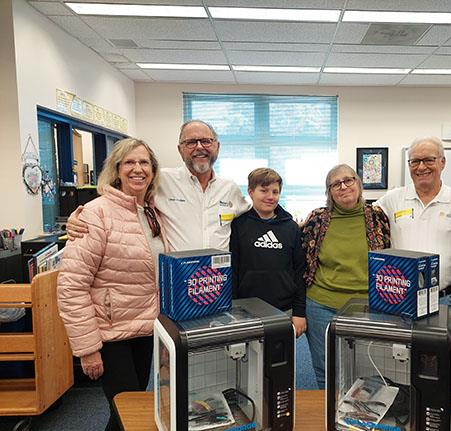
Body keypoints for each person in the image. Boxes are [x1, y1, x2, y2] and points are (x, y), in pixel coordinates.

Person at [57, 138, 167, 431]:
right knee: (127, 412)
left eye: (144, 163)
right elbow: (71, 285)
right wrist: (87, 348)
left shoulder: (152, 212)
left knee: (127, 412)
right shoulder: (96, 213)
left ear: (153, 170)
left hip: (145, 328)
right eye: (129, 163)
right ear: (116, 170)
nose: (137, 169)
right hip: (109, 335)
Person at [67, 120, 250, 251]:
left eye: (206, 141)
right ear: (180, 149)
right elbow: (120, 200)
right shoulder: (160, 181)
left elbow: (259, 214)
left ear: (217, 146)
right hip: (176, 281)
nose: (199, 147)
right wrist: (83, 218)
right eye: (191, 142)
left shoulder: (230, 188)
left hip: (217, 281)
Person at [375, 137, 451, 386]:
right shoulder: (393, 199)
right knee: (399, 362)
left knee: (447, 366)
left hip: (446, 300)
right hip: (401, 301)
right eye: (415, 161)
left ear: (442, 162)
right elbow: (359, 217)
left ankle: (445, 419)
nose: (421, 167)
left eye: (428, 160)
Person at [301, 164, 390, 388]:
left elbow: (390, 256)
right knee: (325, 367)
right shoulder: (317, 219)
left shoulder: (378, 217)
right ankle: (329, 418)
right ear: (329, 191)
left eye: (348, 180)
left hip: (367, 305)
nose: (343, 187)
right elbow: (302, 257)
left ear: (358, 184)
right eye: (336, 184)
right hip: (321, 304)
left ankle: (359, 417)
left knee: (367, 368)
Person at [230, 168, 306, 337]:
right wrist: (233, 308)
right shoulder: (239, 225)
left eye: (275, 192)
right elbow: (233, 269)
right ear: (251, 192)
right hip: (246, 309)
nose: (270, 197)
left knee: (280, 360)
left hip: (284, 309)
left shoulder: (291, 227)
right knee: (247, 361)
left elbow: (300, 271)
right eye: (263, 191)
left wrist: (299, 312)